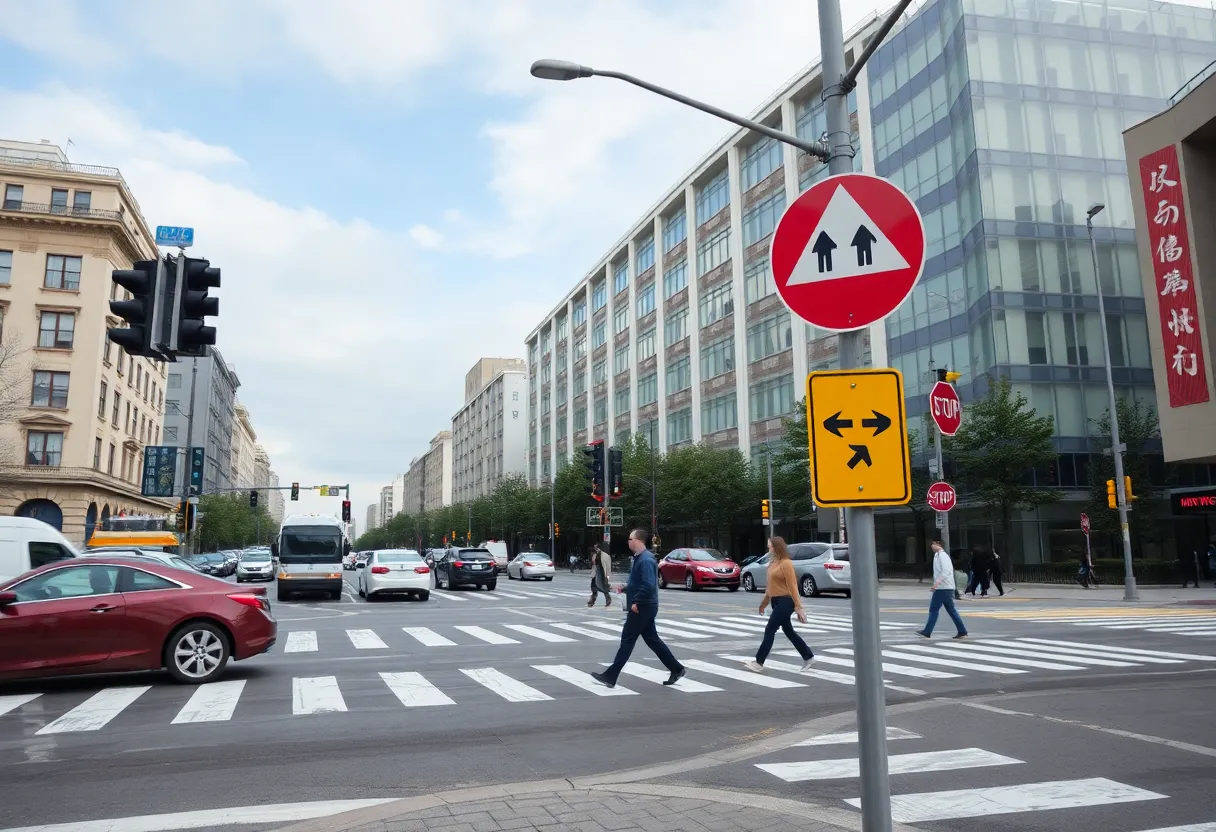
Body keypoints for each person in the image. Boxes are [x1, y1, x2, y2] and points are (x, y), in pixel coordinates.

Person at [592, 529, 685, 689]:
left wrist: (637, 602)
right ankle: (676, 669)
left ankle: (611, 676)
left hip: (643, 607)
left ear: (638, 540)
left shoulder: (646, 560)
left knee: (627, 640)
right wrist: (624, 588)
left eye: (630, 539)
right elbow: (640, 583)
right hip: (645, 606)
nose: (628, 542)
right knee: (653, 641)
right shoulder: (640, 558)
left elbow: (649, 585)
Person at [743, 537, 816, 673]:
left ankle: (759, 662)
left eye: (770, 546)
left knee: (770, 629)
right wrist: (763, 604)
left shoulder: (786, 564)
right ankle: (809, 657)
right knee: (788, 631)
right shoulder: (772, 564)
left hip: (786, 601)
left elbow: (793, 585)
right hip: (775, 601)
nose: (768, 549)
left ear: (777, 547)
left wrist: (798, 607)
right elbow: (770, 587)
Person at [918, 540, 968, 639]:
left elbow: (946, 571)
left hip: (943, 588)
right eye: (931, 544)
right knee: (951, 610)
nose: (932, 545)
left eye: (934, 543)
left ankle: (927, 631)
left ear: (939, 545)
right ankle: (962, 631)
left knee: (934, 610)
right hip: (945, 588)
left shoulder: (943, 556)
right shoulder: (937, 556)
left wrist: (936, 584)